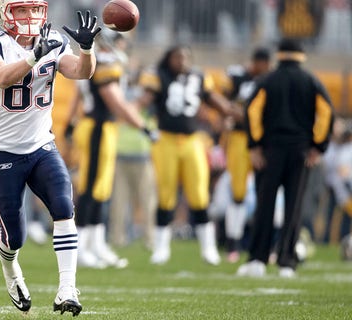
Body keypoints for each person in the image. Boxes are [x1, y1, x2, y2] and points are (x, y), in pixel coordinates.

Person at [0, 0, 101, 315]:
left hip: (42, 145)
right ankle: (11, 270)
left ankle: (67, 289)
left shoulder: (52, 38)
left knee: (63, 205)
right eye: (22, 10)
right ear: (4, 13)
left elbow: (81, 72)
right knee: (14, 236)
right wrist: (34, 56)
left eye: (34, 9)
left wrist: (86, 50)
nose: (30, 17)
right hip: (4, 150)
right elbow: (0, 78)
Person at [237, 39, 334, 278]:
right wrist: (317, 147)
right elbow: (326, 113)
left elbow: (252, 112)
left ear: (279, 55)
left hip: (271, 151)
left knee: (265, 204)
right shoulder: (311, 81)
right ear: (302, 56)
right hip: (301, 151)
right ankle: (286, 262)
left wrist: (255, 146)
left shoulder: (267, 80)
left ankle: (258, 259)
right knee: (294, 207)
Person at [138, 45, 234, 266]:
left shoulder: (199, 76)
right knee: (165, 195)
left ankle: (208, 248)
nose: (182, 61)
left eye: (185, 57)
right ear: (169, 58)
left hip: (192, 141)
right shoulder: (158, 75)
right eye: (177, 57)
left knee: (200, 194)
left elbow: (214, 100)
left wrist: (231, 111)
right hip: (166, 140)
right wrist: (132, 109)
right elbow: (144, 100)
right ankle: (162, 248)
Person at [69, 29, 146, 269]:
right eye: (121, 42)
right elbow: (114, 99)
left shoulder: (95, 61)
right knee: (91, 187)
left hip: (100, 126)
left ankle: (96, 244)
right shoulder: (105, 63)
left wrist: (70, 122)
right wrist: (142, 126)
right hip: (98, 127)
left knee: (101, 189)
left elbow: (77, 97)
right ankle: (80, 247)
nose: (124, 46)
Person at [222, 48, 271, 263]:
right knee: (238, 192)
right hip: (240, 138)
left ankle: (268, 243)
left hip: (263, 140)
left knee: (267, 193)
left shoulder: (271, 80)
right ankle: (233, 243)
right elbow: (225, 104)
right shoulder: (238, 77)